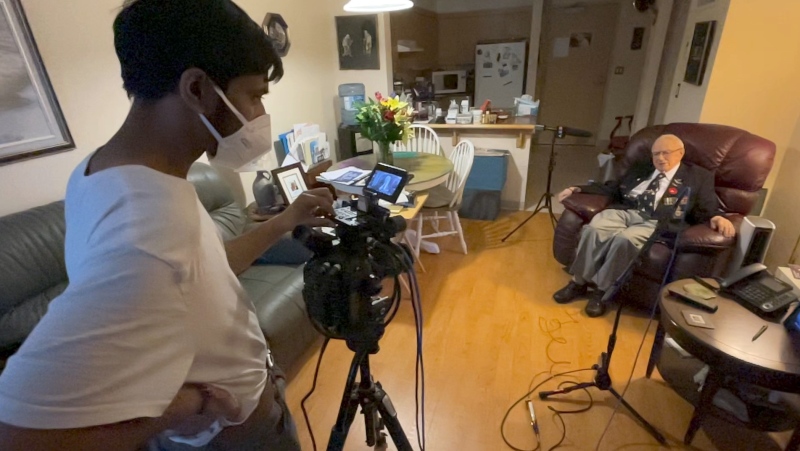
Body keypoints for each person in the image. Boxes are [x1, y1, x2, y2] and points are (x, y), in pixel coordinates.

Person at [0, 1, 334, 450]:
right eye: (254, 96)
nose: (259, 116)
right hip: (237, 438)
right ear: (197, 89)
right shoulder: (150, 228)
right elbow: (18, 435)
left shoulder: (104, 172)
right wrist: (192, 403)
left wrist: (286, 220)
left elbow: (206, 268)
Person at [553, 134, 735, 317]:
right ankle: (578, 283)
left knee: (625, 240)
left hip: (655, 220)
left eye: (665, 153)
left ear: (680, 153)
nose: (660, 158)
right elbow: (613, 187)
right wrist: (578, 188)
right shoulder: (642, 166)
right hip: (625, 210)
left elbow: (707, 205)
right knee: (594, 229)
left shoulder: (697, 176)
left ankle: (601, 291)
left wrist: (717, 217)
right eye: (656, 154)